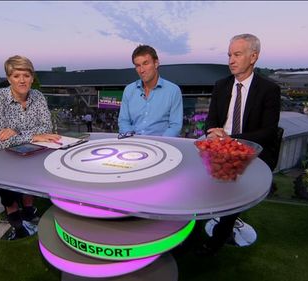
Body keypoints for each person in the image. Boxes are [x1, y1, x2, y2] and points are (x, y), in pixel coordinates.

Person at [195, 34, 281, 255]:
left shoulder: (269, 89)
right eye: (229, 55)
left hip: (250, 150)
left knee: (230, 180)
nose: (231, 60)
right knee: (196, 176)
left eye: (237, 54)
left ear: (253, 57)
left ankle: (218, 238)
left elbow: (269, 131)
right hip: (221, 147)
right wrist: (212, 133)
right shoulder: (221, 85)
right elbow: (211, 122)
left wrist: (233, 139)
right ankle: (191, 230)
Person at [0, 55, 61, 240]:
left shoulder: (38, 97)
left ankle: (29, 206)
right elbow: (0, 141)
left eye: (26, 75)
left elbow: (46, 128)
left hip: (28, 145)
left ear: (32, 77)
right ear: (9, 78)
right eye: (16, 76)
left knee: (42, 159)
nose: (22, 80)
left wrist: (15, 131)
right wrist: (32, 134)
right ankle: (13, 213)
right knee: (6, 171)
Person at [118, 45, 183, 137]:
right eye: (138, 66)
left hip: (161, 145)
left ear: (156, 63)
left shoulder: (173, 90)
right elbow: (124, 121)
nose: (141, 70)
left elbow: (175, 126)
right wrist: (131, 140)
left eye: (145, 63)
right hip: (133, 143)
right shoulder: (129, 90)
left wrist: (158, 144)